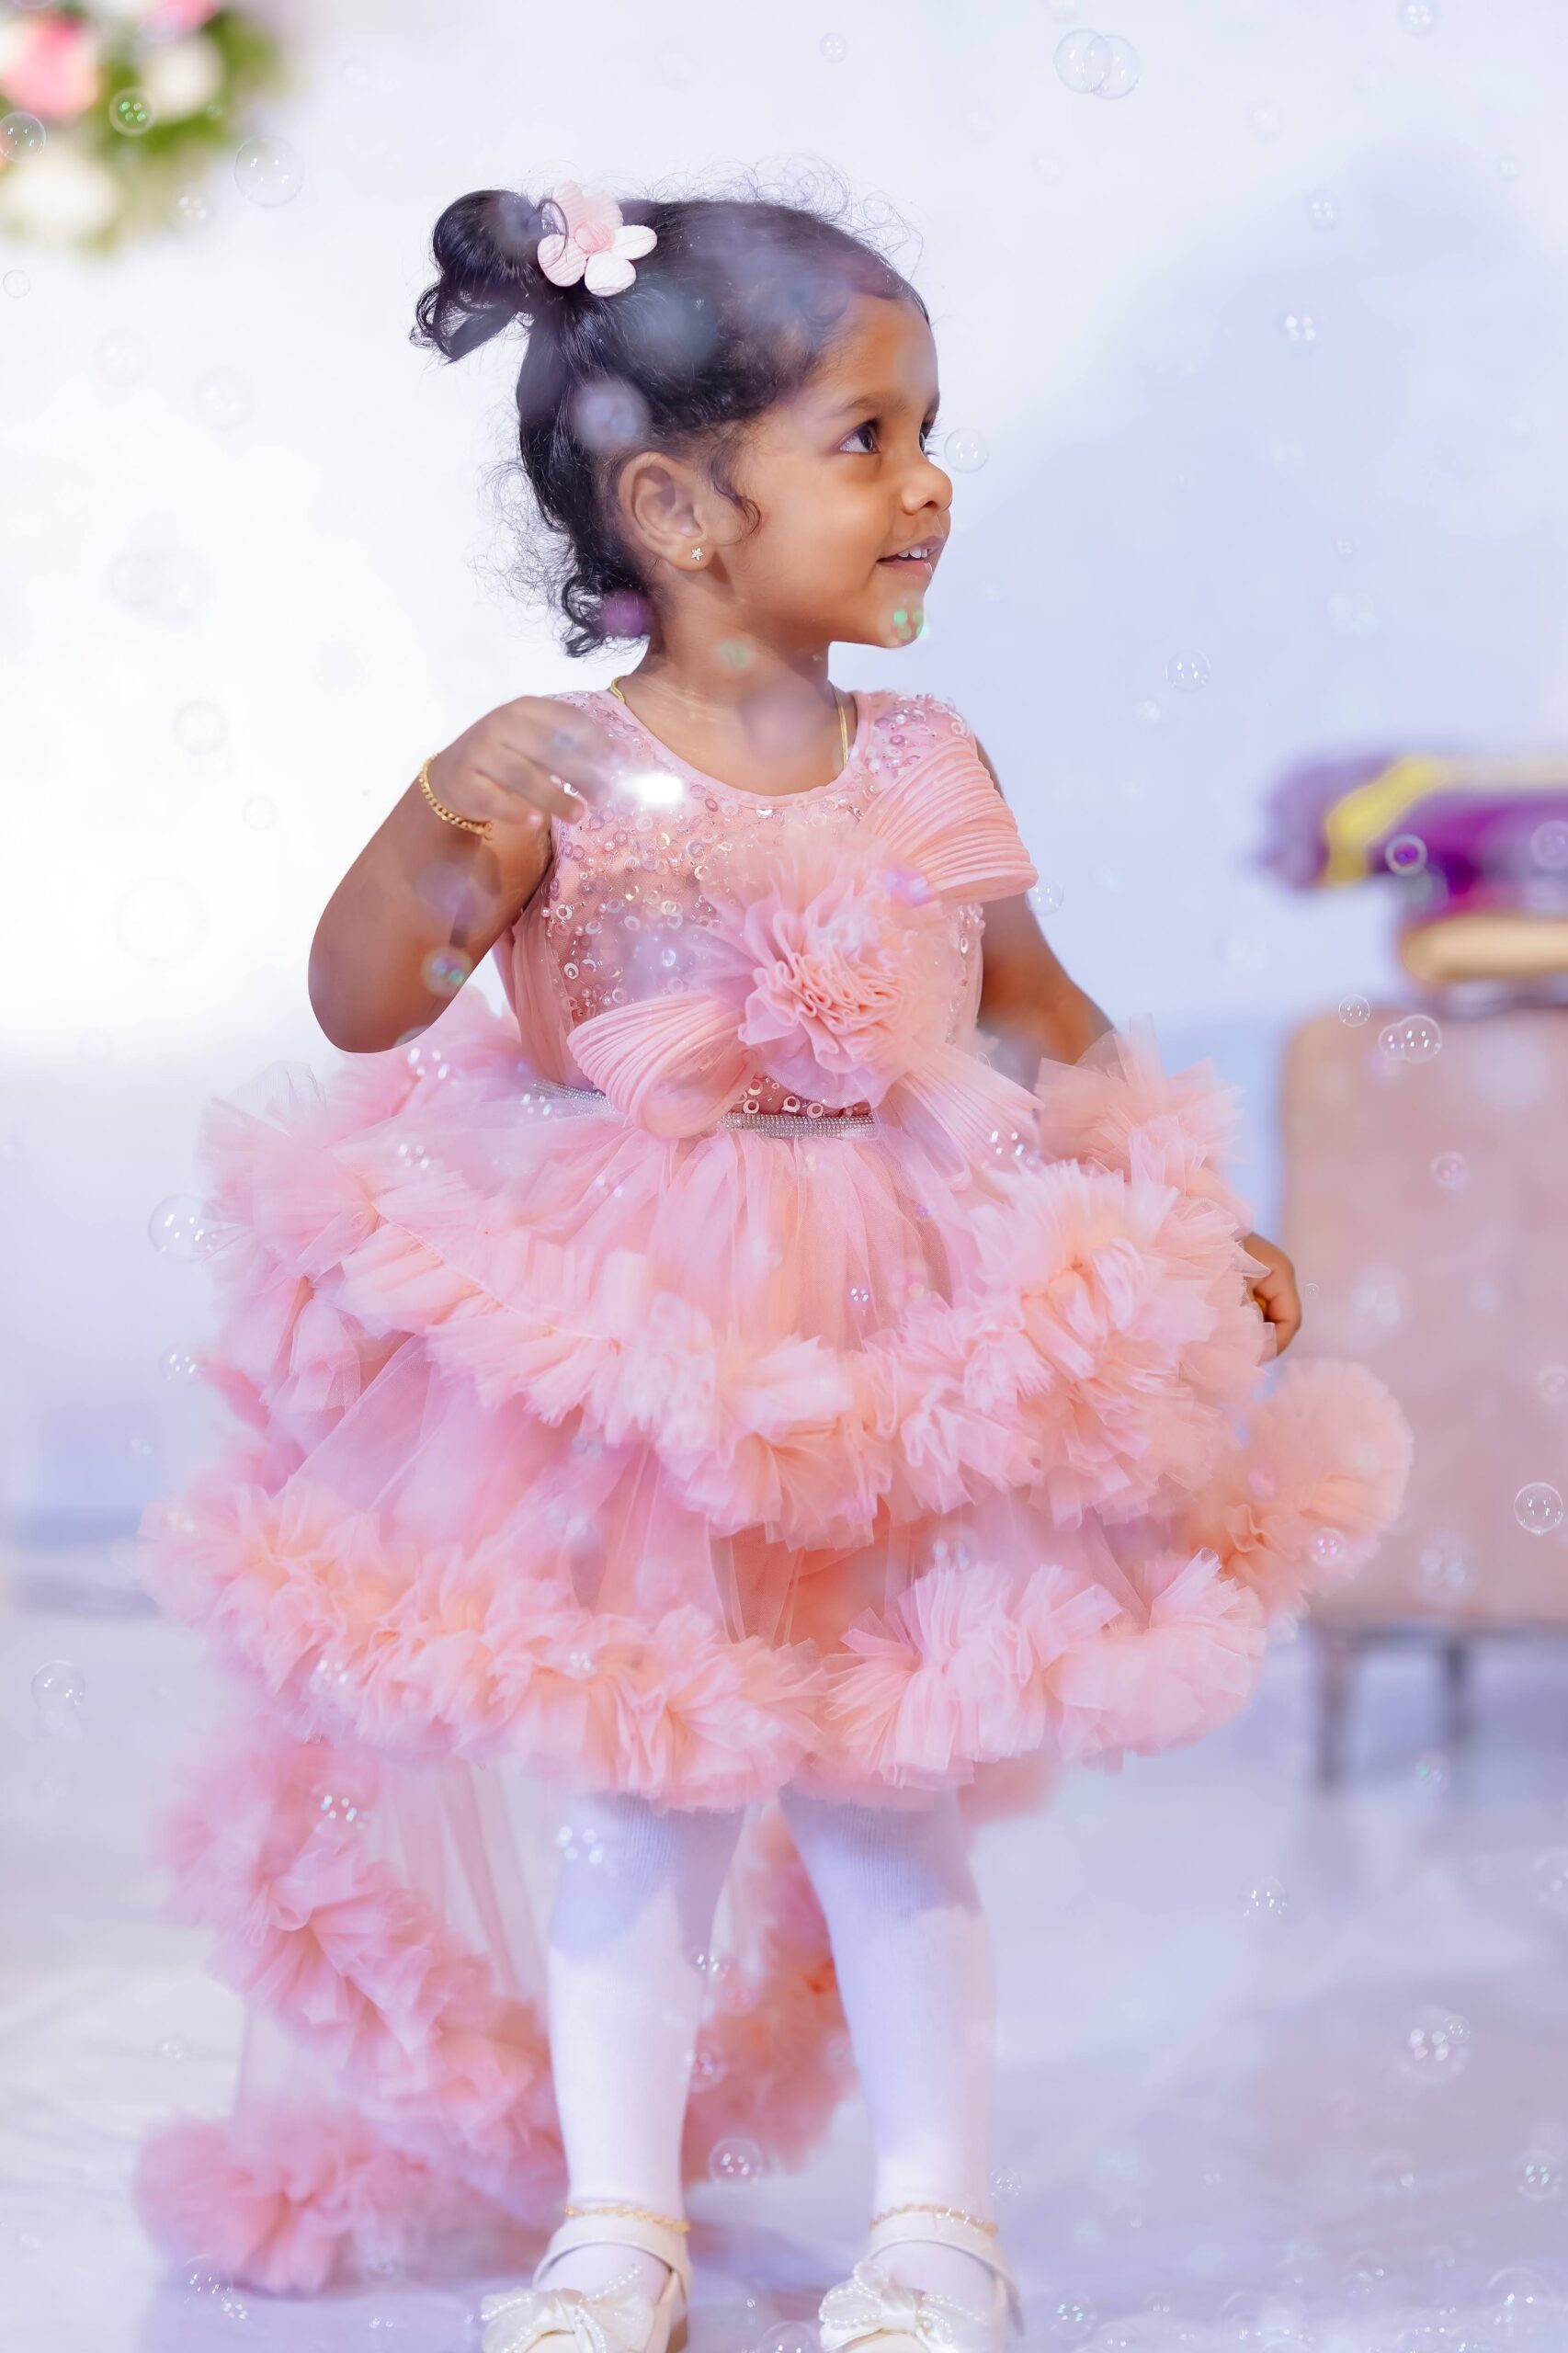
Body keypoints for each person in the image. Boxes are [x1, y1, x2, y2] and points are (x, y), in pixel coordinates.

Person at [135, 177, 1413, 2353]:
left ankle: (936, 2219)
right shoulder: (557, 773)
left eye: (929, 435)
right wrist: (437, 810)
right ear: (673, 503)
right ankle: (614, 2223)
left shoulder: (923, 758)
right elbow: (365, 1002)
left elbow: (1031, 1010)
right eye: (866, 438)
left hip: (902, 1335)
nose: (927, 488)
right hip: (651, 1342)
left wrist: (1181, 1202)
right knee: (648, 1790)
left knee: (889, 1790)